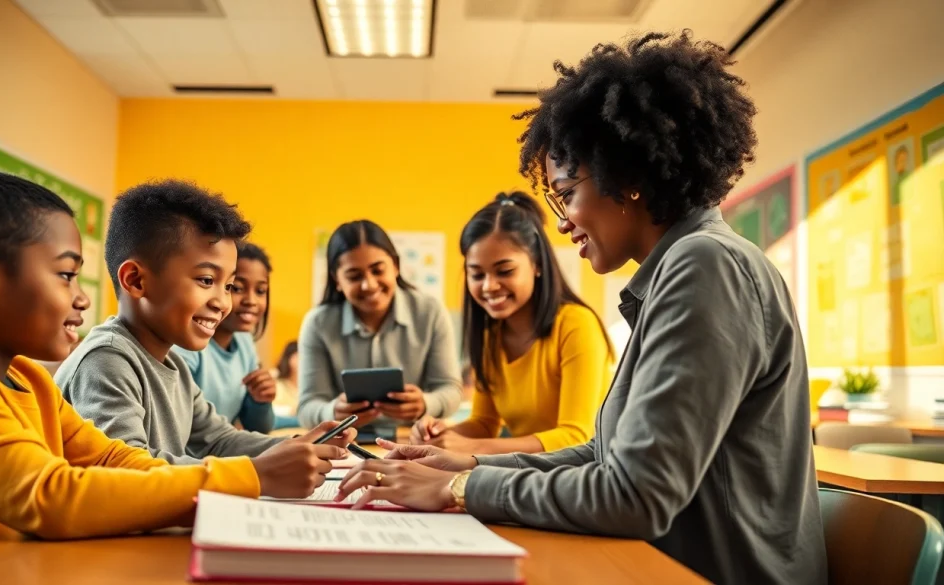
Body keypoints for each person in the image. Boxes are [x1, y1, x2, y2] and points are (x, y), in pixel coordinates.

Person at [335, 31, 827, 585]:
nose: (563, 222)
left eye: (567, 193)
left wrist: (459, 488)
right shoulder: (683, 267)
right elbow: (604, 454)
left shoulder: (706, 266)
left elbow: (632, 495)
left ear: (629, 179)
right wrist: (468, 464)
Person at [0, 171, 352, 549]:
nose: (82, 298)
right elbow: (51, 496)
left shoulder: (28, 380)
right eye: (66, 275)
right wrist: (251, 477)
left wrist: (272, 461)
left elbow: (115, 461)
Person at [56, 180, 351, 470]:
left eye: (228, 285)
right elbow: (127, 471)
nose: (224, 303)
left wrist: (298, 445)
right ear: (135, 280)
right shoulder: (106, 361)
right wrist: (258, 473)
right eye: (207, 280)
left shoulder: (174, 365)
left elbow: (219, 440)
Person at [410, 192, 613, 455]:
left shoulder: (577, 325)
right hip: (531, 472)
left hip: (585, 471)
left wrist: (470, 446)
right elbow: (484, 423)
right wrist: (439, 434)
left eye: (504, 271)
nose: (489, 286)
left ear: (537, 265)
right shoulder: (491, 336)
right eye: (477, 274)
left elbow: (575, 437)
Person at [296, 220, 462, 437]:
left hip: (413, 440)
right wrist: (332, 411)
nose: (369, 284)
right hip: (345, 443)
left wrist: (425, 403)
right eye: (354, 276)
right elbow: (307, 406)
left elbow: (451, 389)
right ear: (337, 279)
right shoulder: (317, 324)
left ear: (396, 266)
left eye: (378, 270)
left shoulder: (430, 312)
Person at [172, 243, 275, 433]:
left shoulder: (245, 343)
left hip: (221, 445)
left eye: (260, 291)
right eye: (236, 288)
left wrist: (260, 401)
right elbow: (180, 426)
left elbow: (257, 427)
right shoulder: (187, 345)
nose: (251, 301)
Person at [272, 341, 301, 429]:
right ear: (289, 358)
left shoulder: (309, 386)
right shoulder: (278, 385)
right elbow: (271, 412)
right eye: (298, 356)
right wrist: (291, 411)